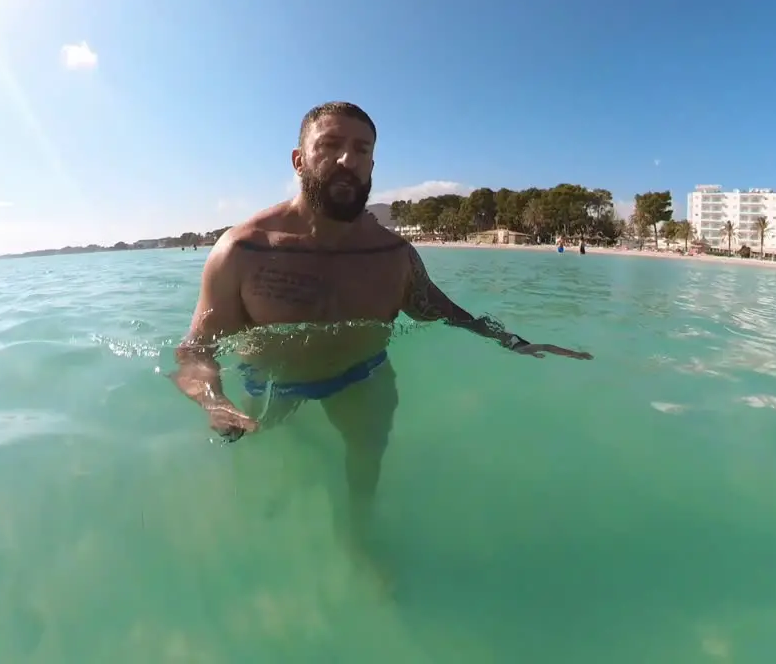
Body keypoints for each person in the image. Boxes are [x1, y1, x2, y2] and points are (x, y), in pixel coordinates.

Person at [171, 101, 592, 577]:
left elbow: (446, 312)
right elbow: (196, 348)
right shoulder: (244, 251)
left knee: (365, 462)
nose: (347, 160)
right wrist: (214, 401)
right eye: (329, 146)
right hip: (273, 380)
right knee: (265, 449)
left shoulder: (393, 255)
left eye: (361, 149)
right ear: (298, 160)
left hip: (360, 377)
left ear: (373, 163)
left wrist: (516, 342)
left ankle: (358, 540)